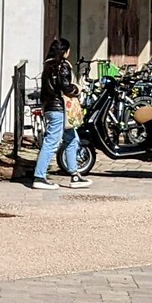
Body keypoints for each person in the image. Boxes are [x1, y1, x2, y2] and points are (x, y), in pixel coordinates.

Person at [32, 37, 89, 189]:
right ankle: (39, 176)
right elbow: (65, 87)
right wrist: (76, 89)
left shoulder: (47, 65)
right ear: (64, 51)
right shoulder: (61, 66)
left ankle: (74, 175)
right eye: (68, 50)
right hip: (59, 108)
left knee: (71, 139)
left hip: (50, 107)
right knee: (52, 141)